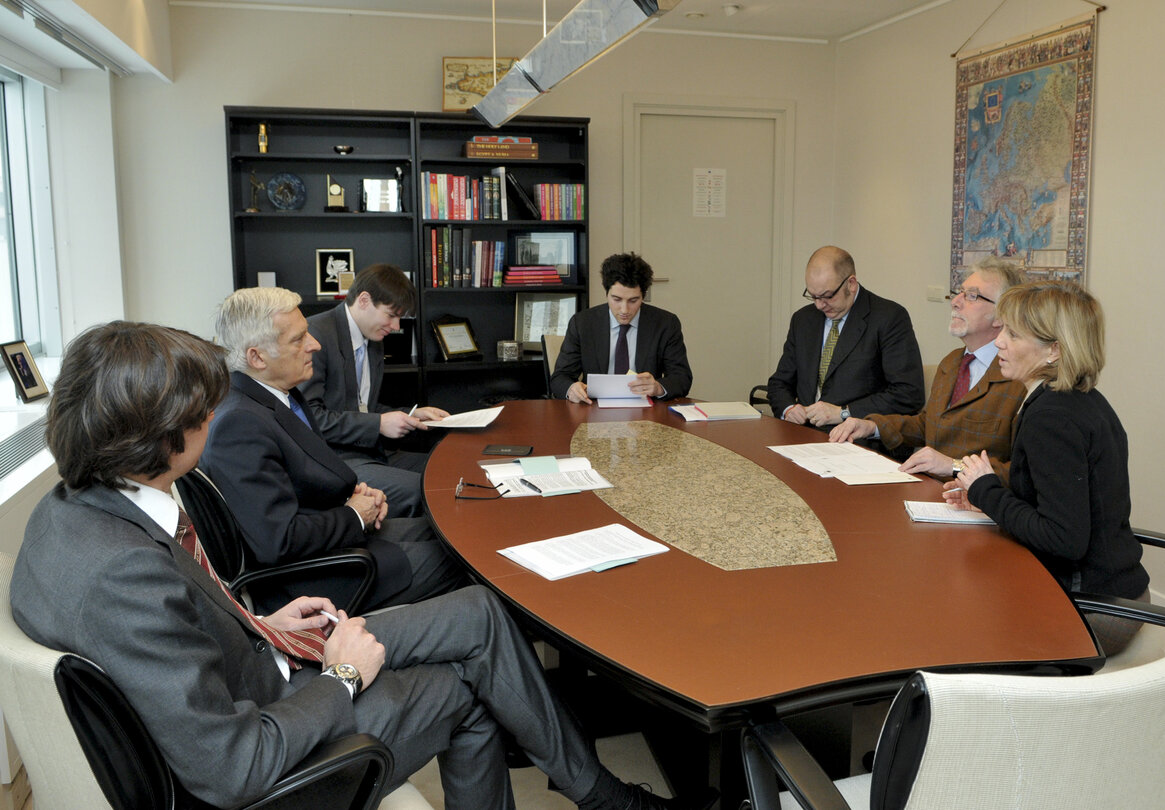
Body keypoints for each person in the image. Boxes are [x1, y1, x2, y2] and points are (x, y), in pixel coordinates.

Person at [10, 320, 706, 810]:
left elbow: (173, 634)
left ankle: (597, 794)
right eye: (202, 409)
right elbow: (231, 768)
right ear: (163, 434)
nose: (213, 416)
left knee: (481, 611)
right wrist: (343, 674)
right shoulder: (122, 574)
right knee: (468, 691)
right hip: (268, 742)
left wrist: (257, 619)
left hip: (262, 657)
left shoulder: (76, 511)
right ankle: (603, 795)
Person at [200, 287, 465, 611]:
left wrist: (355, 495)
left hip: (335, 543)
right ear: (257, 357)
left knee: (455, 534)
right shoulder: (238, 424)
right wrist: (354, 513)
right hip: (321, 578)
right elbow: (277, 541)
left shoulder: (276, 395)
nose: (314, 344)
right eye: (298, 340)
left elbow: (300, 479)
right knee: (466, 557)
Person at [944, 280, 1149, 654]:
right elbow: (1059, 501)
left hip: (1094, 609)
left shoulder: (1051, 418)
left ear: (1054, 350)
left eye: (1014, 333)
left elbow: (1063, 540)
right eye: (1002, 328)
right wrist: (989, 497)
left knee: (951, 607)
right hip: (1119, 590)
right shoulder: (1080, 401)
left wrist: (986, 489)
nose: (999, 341)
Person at [828, 258, 1026, 481]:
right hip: (927, 490)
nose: (955, 302)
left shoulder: (1020, 379)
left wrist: (953, 466)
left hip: (978, 503)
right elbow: (927, 426)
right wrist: (872, 426)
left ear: (1002, 316)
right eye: (958, 292)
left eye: (972, 296)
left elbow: (1021, 474)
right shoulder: (952, 362)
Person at [302, 264, 449, 519]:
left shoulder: (372, 339)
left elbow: (361, 408)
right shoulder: (317, 335)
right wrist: (378, 424)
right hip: (336, 460)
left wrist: (411, 415)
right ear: (364, 300)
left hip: (371, 450)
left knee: (448, 468)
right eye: (391, 315)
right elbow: (311, 418)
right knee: (427, 490)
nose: (395, 325)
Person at [767, 245, 923, 428]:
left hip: (857, 438)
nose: (819, 305)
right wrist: (788, 409)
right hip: (803, 434)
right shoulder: (803, 320)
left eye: (827, 296)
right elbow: (779, 383)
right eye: (813, 296)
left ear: (851, 284)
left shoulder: (889, 318)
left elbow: (908, 394)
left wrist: (843, 412)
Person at [550, 252, 693, 403]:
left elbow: (682, 377)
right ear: (606, 293)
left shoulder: (665, 324)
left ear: (643, 296)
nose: (624, 310)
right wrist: (571, 389)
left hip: (646, 410)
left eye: (633, 300)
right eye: (617, 299)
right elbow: (560, 378)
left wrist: (658, 387)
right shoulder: (582, 323)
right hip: (593, 409)